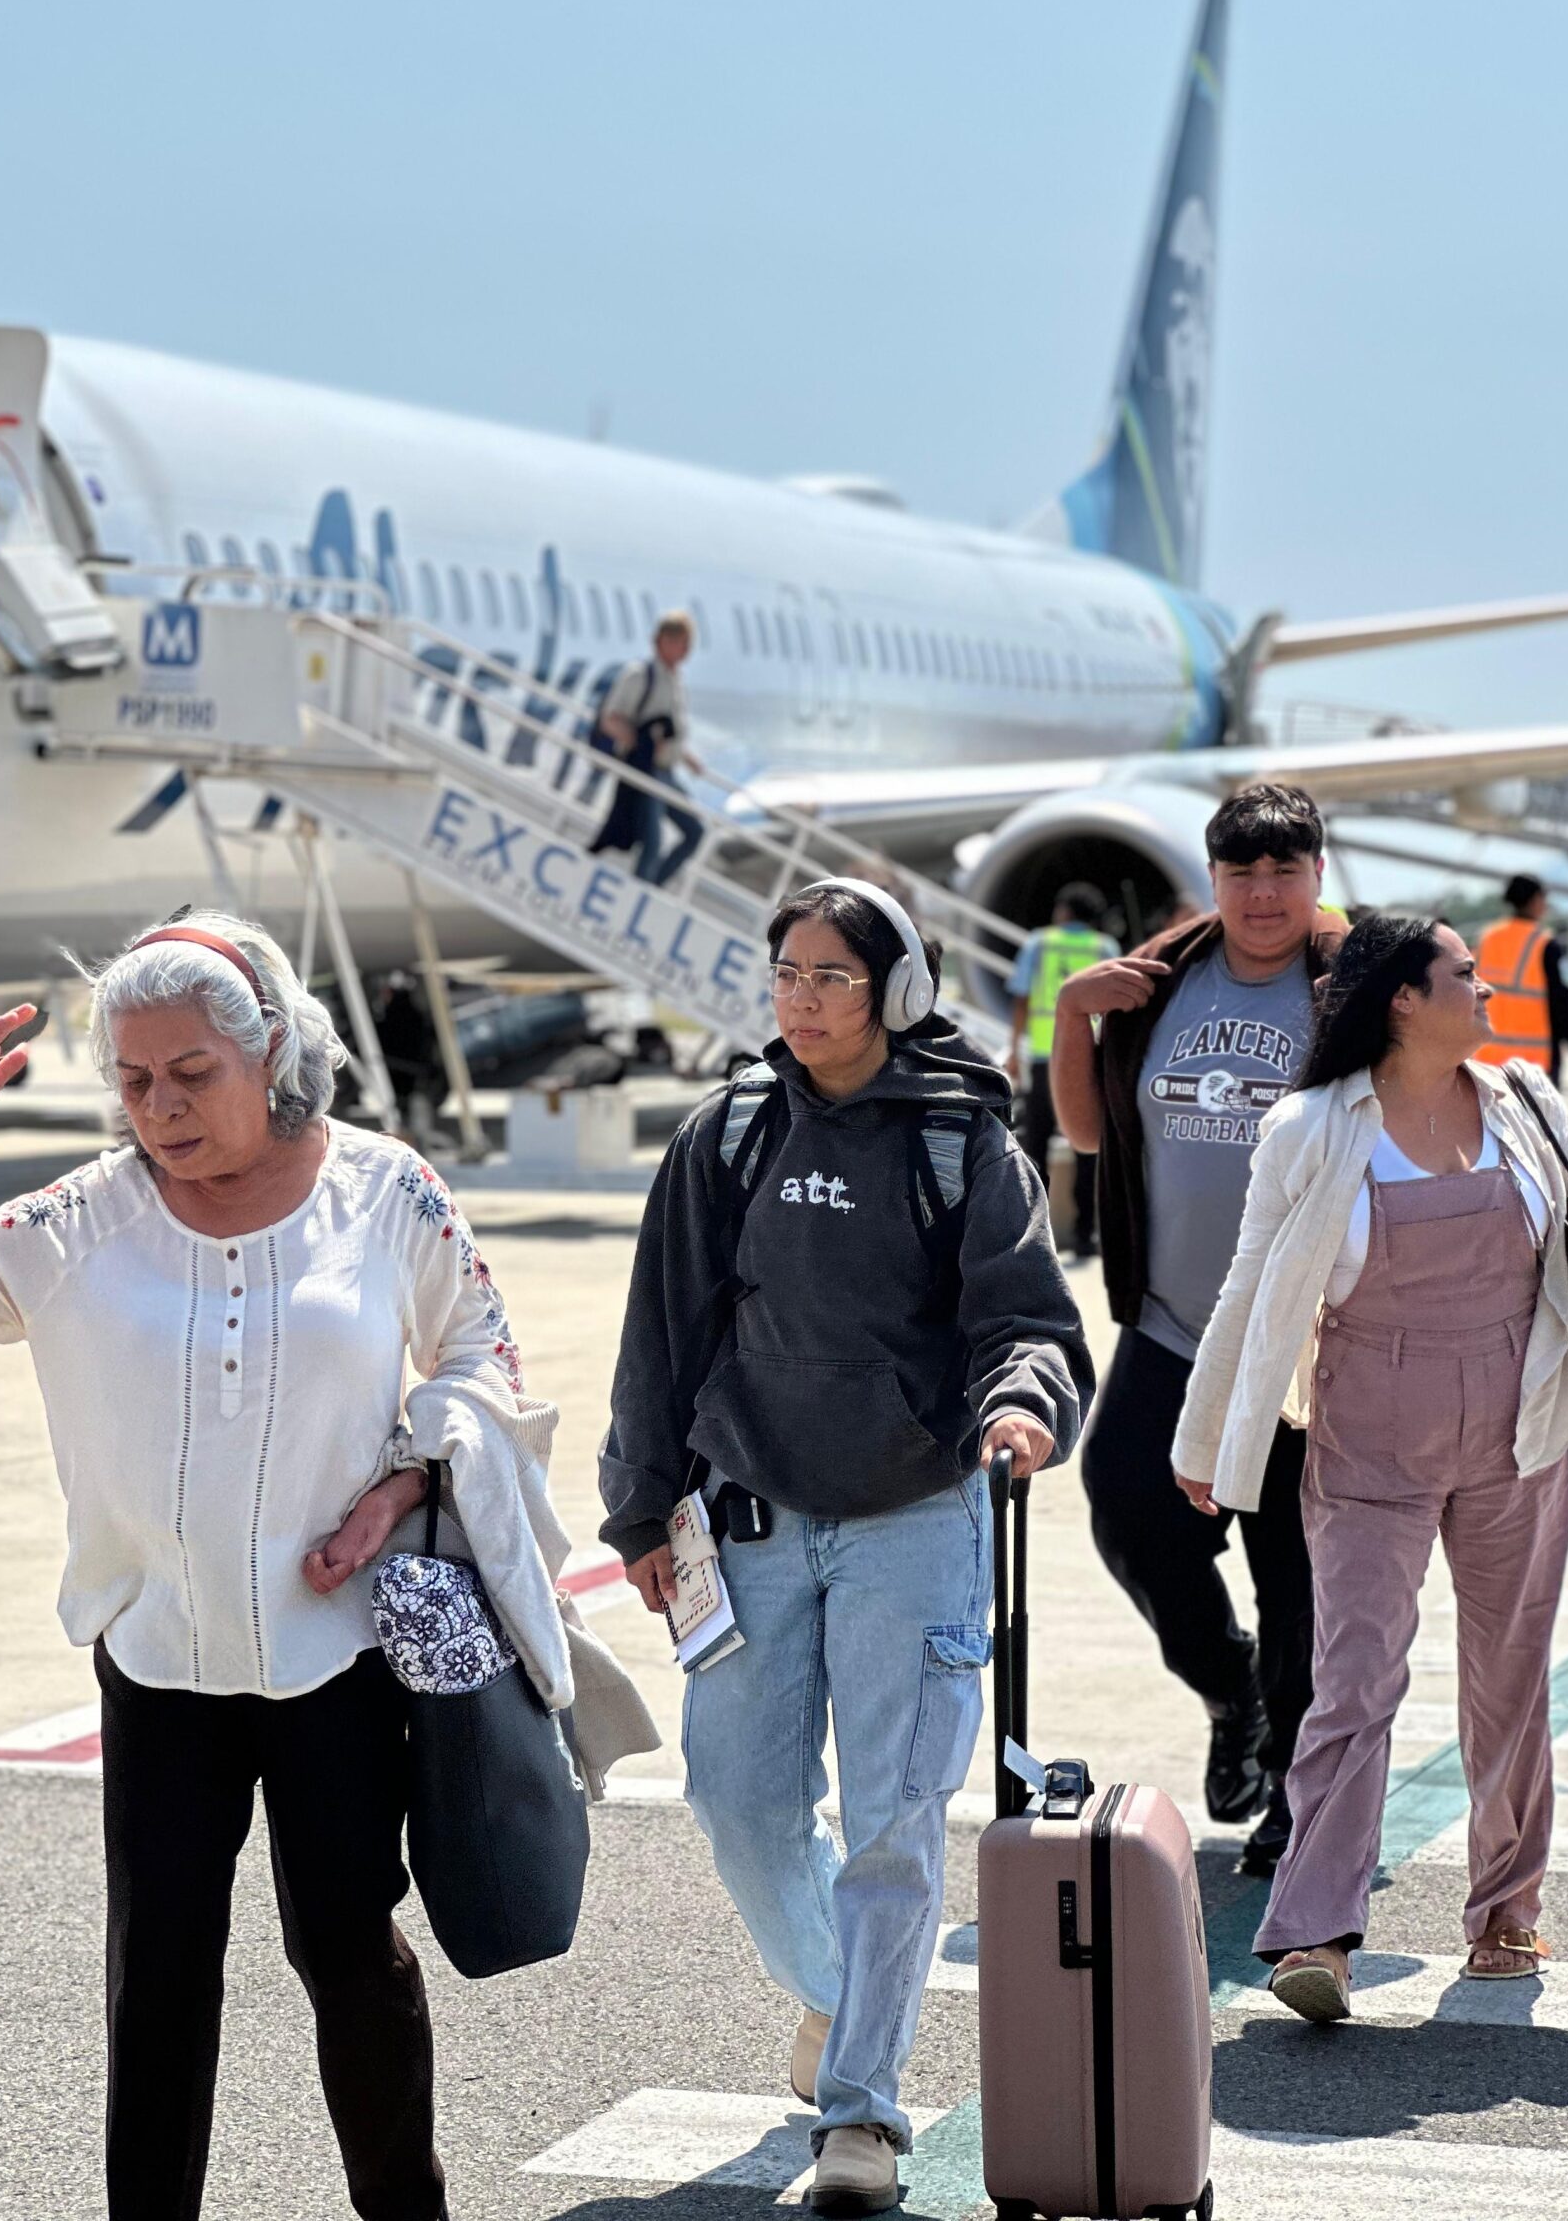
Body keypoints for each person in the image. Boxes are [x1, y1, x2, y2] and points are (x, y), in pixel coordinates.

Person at [0, 909, 537, 2221]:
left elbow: (486, 1357)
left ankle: (407, 2206)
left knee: (345, 1949)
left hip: (336, 1655)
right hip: (158, 1657)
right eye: (130, 1081)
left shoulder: (387, 1189)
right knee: (160, 1968)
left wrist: (406, 1479)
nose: (158, 1109)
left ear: (269, 1053)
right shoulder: (86, 1213)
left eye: (190, 1076)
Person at [600, 877, 1091, 2218]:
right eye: (788, 974)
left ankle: (862, 2112)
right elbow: (664, 1332)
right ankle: (842, 1996)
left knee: (893, 1825)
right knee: (739, 1799)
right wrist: (643, 1508)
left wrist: (1021, 1404)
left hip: (915, 1522)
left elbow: (1028, 1318)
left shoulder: (958, 1141)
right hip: (751, 1516)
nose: (803, 999)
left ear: (898, 991)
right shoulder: (730, 1133)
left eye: (832, 976)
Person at [1172, 915, 1568, 2021]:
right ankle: (1317, 1931)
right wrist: (1207, 1437)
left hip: (1523, 1427)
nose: (1488, 986)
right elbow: (1248, 1286)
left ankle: (1506, 1909)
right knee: (1355, 1681)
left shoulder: (1521, 1097)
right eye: (1466, 973)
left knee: (1509, 1679)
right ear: (1403, 999)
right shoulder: (1311, 1126)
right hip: (1371, 1435)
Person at [1051, 783, 1343, 1877]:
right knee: (1130, 1513)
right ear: (1213, 878)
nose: (1263, 894)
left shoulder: (1354, 985)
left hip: (1305, 1345)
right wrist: (1075, 1013)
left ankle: (1299, 1798)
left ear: (1318, 872)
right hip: (1175, 1325)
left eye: (1285, 870)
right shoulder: (1159, 979)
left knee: (1297, 1572)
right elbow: (1084, 1131)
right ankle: (1234, 1696)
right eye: (1242, 872)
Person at [1006, 883, 1116, 1257]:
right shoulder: (1105, 948)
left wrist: (1014, 1049)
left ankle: (1034, 1232)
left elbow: (1021, 996)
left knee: (1035, 1146)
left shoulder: (1039, 943)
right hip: (1090, 1060)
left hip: (1043, 1055)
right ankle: (1086, 1234)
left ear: (1063, 911)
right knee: (1087, 1145)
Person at [587, 608, 704, 888]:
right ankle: (639, 891)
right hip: (648, 770)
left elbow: (670, 727)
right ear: (663, 641)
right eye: (681, 643)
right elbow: (610, 719)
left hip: (666, 771)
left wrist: (685, 757)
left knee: (695, 831)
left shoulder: (675, 679)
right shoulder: (640, 675)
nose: (686, 651)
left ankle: (651, 887)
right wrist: (641, 743)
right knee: (651, 841)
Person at [1476, 874, 1568, 1087]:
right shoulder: (1546, 945)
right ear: (1536, 900)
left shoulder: (1488, 939)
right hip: (1535, 1064)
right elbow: (1563, 1005)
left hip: (1487, 1062)